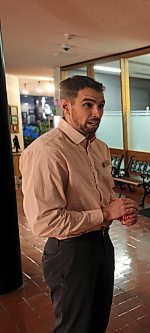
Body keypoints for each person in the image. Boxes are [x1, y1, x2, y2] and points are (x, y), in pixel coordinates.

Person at [20, 75, 139, 333]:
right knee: (75, 327)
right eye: (88, 104)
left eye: (101, 105)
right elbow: (45, 222)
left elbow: (105, 194)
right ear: (66, 106)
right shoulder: (46, 152)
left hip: (102, 245)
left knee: (97, 322)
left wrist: (120, 208)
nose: (97, 113)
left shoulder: (100, 147)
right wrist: (106, 212)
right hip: (69, 253)